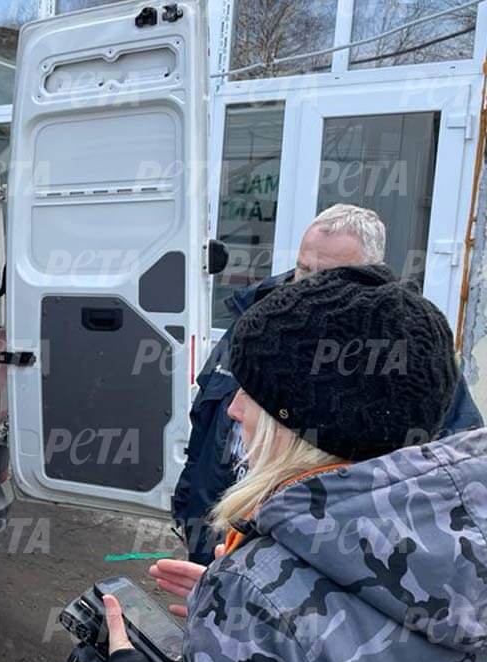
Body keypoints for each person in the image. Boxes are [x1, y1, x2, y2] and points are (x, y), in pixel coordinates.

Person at [104, 263, 487, 662]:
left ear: (309, 422)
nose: (233, 408)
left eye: (253, 392)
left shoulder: (263, 594)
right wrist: (242, 637)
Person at [174, 204, 482, 564]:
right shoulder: (259, 321)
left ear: (369, 274)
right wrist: (187, 510)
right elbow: (208, 418)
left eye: (330, 274)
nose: (310, 283)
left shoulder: (410, 355)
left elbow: (447, 474)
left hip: (305, 563)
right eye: (305, 267)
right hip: (219, 538)